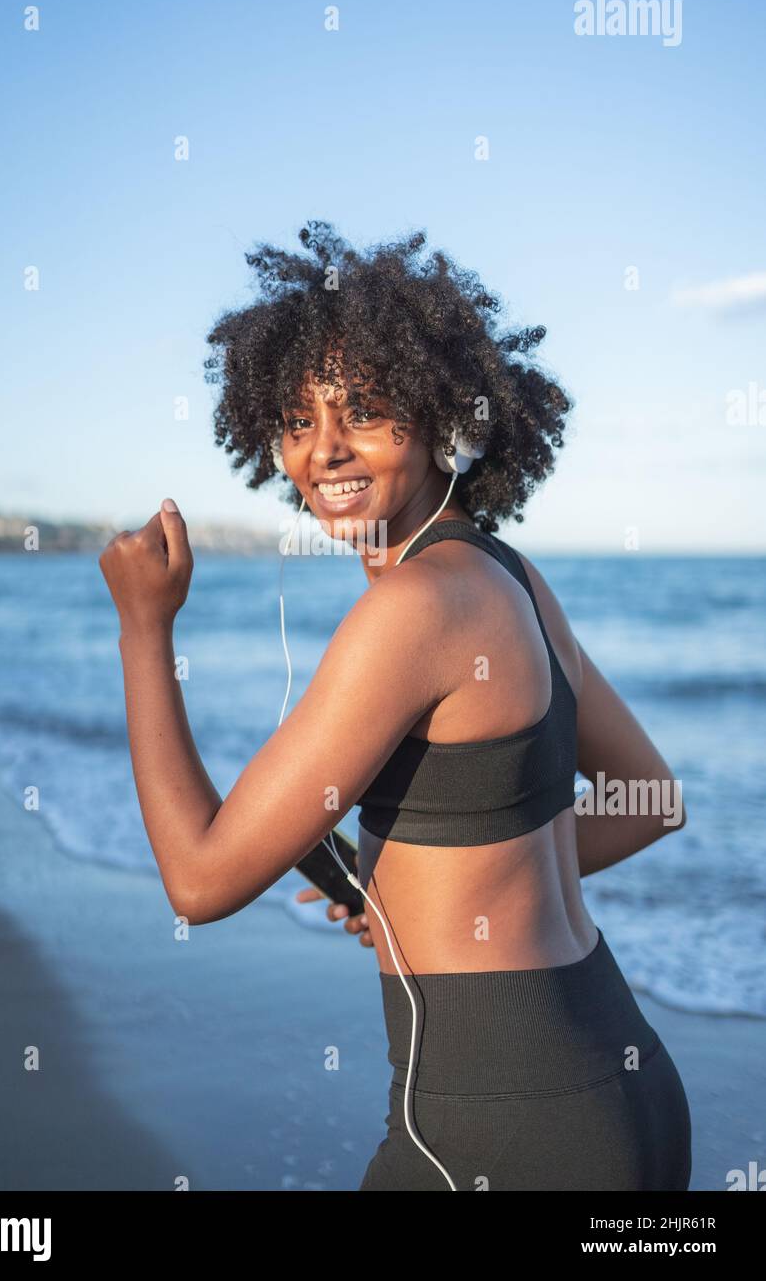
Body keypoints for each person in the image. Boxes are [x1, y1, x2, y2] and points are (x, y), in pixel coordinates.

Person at [99, 221, 692, 1191]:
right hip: (622, 1090)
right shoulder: (509, 576)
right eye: (295, 420)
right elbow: (647, 796)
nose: (323, 449)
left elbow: (198, 880)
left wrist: (142, 628)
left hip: (493, 1128)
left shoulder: (408, 607)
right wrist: (432, 889)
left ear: (432, 412)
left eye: (362, 409)